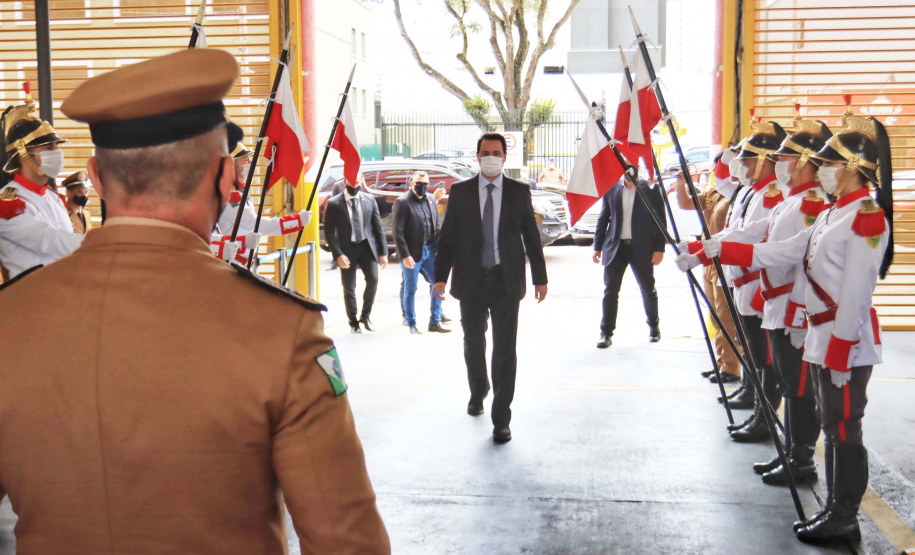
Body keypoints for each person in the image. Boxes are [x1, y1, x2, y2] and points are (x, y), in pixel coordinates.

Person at [0, 49, 389, 553]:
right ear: (227, 178)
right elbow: (346, 541)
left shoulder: (11, 321)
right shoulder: (282, 331)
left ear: (94, 177)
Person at [690, 111, 893, 545]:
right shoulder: (835, 213)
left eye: (832, 165)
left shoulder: (866, 218)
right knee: (832, 424)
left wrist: (839, 347)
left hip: (847, 341)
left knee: (843, 429)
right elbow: (781, 250)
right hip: (822, 335)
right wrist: (714, 249)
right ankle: (835, 508)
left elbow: (856, 293)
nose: (825, 171)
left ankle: (844, 514)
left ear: (854, 170)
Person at [434, 132, 548, 444]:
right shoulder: (460, 192)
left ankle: (501, 417)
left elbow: (531, 236)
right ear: (477, 156)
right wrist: (440, 276)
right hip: (470, 280)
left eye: (496, 152)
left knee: (505, 350)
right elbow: (448, 238)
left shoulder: (519, 192)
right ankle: (478, 389)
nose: (491, 157)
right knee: (473, 343)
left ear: (504, 157)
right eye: (485, 152)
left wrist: (540, 277)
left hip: (505, 280)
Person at [686, 117, 791, 443]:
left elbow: (751, 236)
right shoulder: (749, 191)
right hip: (740, 279)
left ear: (763, 162)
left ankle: (764, 415)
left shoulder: (770, 194)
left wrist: (706, 249)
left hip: (755, 281)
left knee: (765, 357)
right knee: (753, 350)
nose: (739, 165)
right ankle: (752, 395)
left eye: (746, 159)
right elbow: (723, 190)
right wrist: (702, 249)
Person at [675, 150, 743, 385]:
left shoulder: (738, 195)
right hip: (707, 260)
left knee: (726, 318)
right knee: (715, 317)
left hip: (724, 260)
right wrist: (682, 182)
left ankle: (733, 368)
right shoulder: (715, 193)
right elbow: (685, 203)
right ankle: (722, 362)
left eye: (719, 168)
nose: (716, 172)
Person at [0, 88, 83, 280]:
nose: (56, 152)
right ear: (23, 153)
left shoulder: (53, 196)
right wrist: (108, 242)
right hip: (28, 300)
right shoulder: (7, 200)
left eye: (56, 146)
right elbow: (51, 241)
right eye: (48, 147)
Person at [210, 122, 311, 264]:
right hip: (232, 261)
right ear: (231, 163)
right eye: (245, 159)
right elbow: (253, 223)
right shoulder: (227, 194)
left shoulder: (239, 189)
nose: (249, 162)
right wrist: (295, 221)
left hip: (243, 260)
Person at [592, 170, 666, 348]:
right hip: (616, 247)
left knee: (648, 289)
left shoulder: (650, 189)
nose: (629, 170)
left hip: (641, 248)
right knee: (610, 291)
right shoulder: (611, 188)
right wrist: (597, 246)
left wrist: (659, 248)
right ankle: (606, 333)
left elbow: (660, 220)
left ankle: (654, 327)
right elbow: (603, 218)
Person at [324, 172, 388, 333]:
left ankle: (365, 316)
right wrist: (338, 254)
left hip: (367, 247)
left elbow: (377, 226)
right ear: (345, 181)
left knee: (373, 280)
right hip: (347, 250)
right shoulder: (334, 203)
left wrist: (383, 252)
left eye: (357, 182)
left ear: (362, 182)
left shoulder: (369, 199)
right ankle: (353, 322)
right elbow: (329, 232)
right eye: (351, 182)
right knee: (349, 286)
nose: (354, 186)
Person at [393, 171, 450, 334]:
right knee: (411, 288)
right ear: (411, 184)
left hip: (431, 249)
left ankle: (435, 321)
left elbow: (435, 226)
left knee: (438, 283)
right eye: (418, 183)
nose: (422, 187)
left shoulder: (431, 199)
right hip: (412, 252)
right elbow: (398, 232)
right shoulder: (402, 202)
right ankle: (411, 322)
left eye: (425, 184)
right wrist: (405, 255)